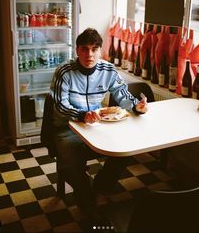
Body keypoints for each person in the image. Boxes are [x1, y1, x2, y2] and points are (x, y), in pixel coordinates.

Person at [50, 28, 148, 221]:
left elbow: (122, 93)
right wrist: (81, 115)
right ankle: (86, 203)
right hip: (67, 126)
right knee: (74, 156)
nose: (90, 54)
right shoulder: (64, 72)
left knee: (126, 148)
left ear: (101, 50)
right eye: (85, 49)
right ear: (77, 50)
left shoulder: (108, 70)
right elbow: (60, 105)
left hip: (95, 124)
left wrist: (137, 106)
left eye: (94, 49)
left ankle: (101, 187)